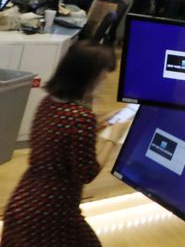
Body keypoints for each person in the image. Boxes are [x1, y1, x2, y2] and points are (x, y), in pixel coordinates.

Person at [1, 41, 116, 247]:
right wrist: (112, 139)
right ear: (88, 77)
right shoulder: (82, 118)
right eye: (102, 74)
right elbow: (87, 173)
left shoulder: (49, 102)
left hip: (24, 202)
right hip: (53, 211)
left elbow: (58, 140)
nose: (105, 79)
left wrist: (97, 127)